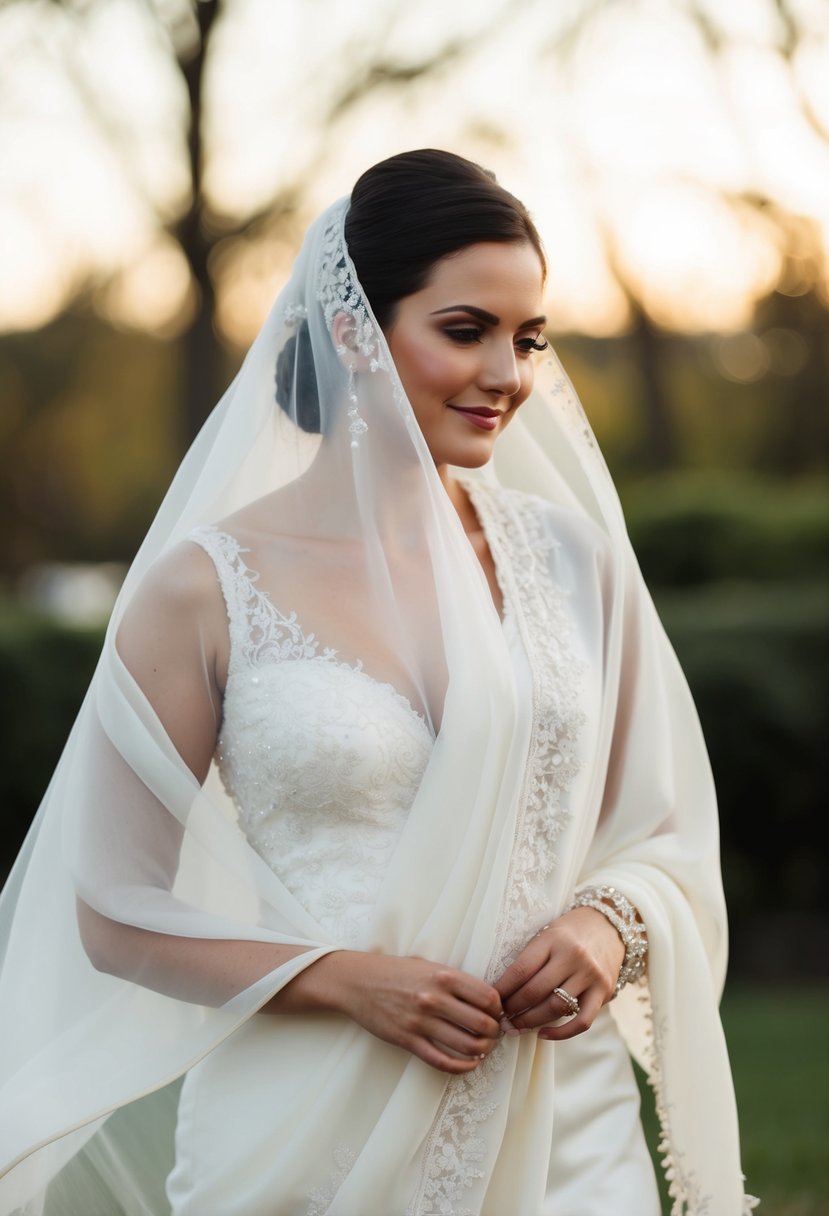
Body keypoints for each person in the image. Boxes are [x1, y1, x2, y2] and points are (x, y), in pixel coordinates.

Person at [0, 149, 755, 1215]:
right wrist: (344, 979)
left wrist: (606, 926)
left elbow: (663, 829)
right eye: (465, 330)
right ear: (353, 328)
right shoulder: (202, 590)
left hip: (564, 1133)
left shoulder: (575, 564)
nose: (509, 373)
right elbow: (116, 913)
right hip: (308, 1127)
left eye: (527, 336)